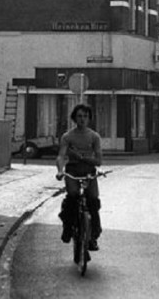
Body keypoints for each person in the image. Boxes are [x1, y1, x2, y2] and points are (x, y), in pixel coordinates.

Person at [56, 103, 103, 251]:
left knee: (93, 200)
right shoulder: (67, 137)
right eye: (79, 116)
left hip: (89, 172)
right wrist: (60, 170)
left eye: (85, 116)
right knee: (73, 195)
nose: (82, 119)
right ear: (74, 118)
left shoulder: (94, 137)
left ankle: (93, 236)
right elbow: (61, 156)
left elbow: (99, 161)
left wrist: (82, 157)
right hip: (72, 172)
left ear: (89, 118)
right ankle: (68, 227)